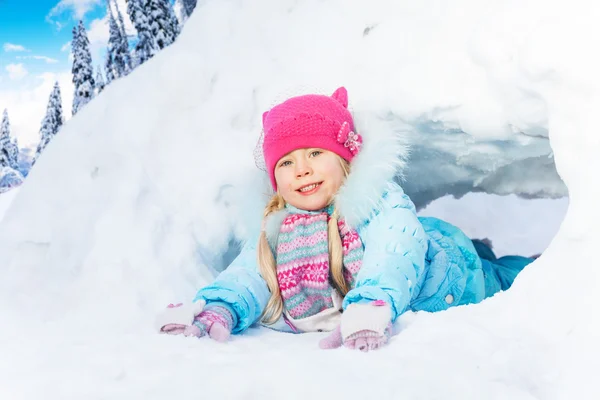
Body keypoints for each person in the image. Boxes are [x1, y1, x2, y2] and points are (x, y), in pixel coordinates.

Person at [155, 87, 534, 352]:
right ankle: (484, 249)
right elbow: (251, 273)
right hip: (424, 248)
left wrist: (370, 304)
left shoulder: (376, 200)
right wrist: (221, 306)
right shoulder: (277, 227)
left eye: (315, 153)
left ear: (344, 158)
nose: (301, 170)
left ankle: (523, 263)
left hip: (450, 271)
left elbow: (395, 248)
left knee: (501, 275)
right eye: (286, 162)